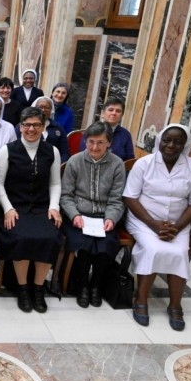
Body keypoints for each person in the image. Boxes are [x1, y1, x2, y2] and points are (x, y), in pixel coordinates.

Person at [124, 124, 191, 331]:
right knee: (154, 249)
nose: (171, 145)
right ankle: (141, 300)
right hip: (143, 219)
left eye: (177, 142)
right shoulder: (144, 164)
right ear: (160, 141)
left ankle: (175, 305)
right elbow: (130, 197)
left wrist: (177, 228)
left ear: (184, 145)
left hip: (177, 224)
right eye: (167, 140)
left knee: (180, 252)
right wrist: (153, 224)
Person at [0, 107, 62, 314]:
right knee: (20, 236)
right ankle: (23, 288)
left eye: (36, 125)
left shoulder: (52, 151)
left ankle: (38, 288)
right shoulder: (7, 150)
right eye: (27, 125)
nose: (31, 129)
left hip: (42, 206)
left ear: (43, 127)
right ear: (20, 126)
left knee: (50, 237)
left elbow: (55, 183)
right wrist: (8, 209)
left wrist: (54, 207)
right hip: (15, 206)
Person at [60, 121, 126, 308]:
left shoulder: (117, 164)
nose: (94, 147)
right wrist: (74, 215)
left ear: (109, 143)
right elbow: (66, 195)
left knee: (106, 245)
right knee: (84, 244)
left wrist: (111, 218)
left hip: (104, 216)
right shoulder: (75, 161)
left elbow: (117, 198)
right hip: (79, 215)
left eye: (100, 142)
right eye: (90, 142)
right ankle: (82, 286)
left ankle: (96, 285)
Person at [27, 96, 70, 162]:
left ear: (51, 110)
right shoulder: (25, 125)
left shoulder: (57, 127)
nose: (43, 110)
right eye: (40, 107)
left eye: (47, 108)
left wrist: (58, 165)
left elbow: (65, 152)